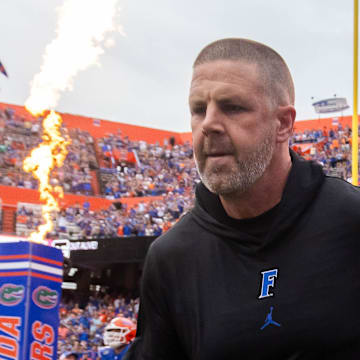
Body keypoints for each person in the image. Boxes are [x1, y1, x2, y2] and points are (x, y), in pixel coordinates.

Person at [124, 38, 360, 359]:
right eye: (198, 110)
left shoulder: (350, 220)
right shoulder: (172, 258)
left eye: (232, 107)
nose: (208, 124)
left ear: (283, 123)